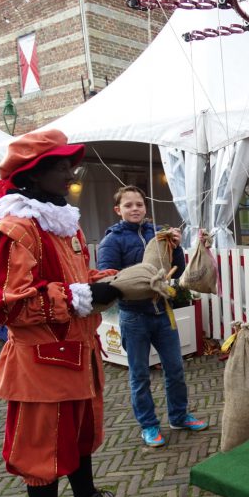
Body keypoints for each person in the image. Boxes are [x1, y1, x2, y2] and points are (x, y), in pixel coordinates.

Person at [0, 129, 141, 497]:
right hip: (40, 369)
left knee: (79, 440)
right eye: (59, 164)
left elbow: (77, 280)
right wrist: (84, 296)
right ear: (32, 175)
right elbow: (2, 306)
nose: (70, 170)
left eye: (70, 161)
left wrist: (118, 281)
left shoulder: (64, 225)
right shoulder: (15, 231)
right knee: (41, 452)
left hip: (78, 355)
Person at [96, 185, 208, 448]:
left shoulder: (158, 234)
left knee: (176, 370)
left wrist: (177, 247)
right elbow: (108, 278)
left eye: (139, 204)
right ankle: (148, 425)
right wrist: (138, 281)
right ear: (118, 210)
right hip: (134, 317)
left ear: (145, 207)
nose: (135, 209)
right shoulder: (112, 241)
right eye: (128, 205)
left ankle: (179, 417)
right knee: (139, 375)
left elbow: (176, 269)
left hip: (163, 314)